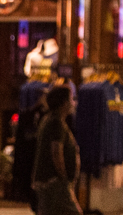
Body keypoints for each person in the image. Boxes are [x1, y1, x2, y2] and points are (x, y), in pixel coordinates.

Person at [30, 85, 81, 215]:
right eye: (71, 99)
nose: (73, 103)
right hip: (53, 182)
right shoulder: (56, 123)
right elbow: (56, 152)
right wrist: (63, 178)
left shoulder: (49, 119)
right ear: (64, 103)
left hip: (48, 182)